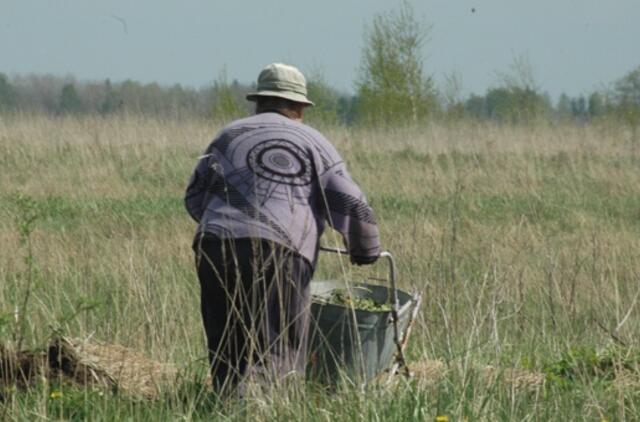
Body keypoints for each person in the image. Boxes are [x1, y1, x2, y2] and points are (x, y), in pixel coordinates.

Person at [184, 63, 380, 394]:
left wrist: (228, 225)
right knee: (275, 349)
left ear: (258, 101)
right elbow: (351, 202)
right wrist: (365, 249)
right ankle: (266, 411)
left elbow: (194, 197)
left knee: (226, 346)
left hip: (214, 244)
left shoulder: (228, 135)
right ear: (301, 106)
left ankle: (227, 406)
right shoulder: (313, 142)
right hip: (280, 251)